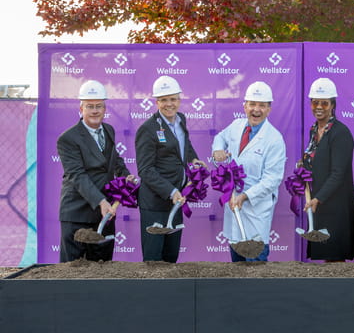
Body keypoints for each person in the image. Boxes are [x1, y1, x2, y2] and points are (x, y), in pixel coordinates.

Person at [57, 80, 135, 262]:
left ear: (104, 108)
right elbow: (77, 175)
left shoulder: (109, 130)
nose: (95, 111)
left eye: (99, 106)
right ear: (81, 108)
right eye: (90, 106)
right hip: (77, 213)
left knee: (103, 267)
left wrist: (125, 175)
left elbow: (115, 159)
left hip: (104, 212)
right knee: (72, 270)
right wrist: (100, 201)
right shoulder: (68, 138)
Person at [212, 81, 286, 262]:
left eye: (262, 105)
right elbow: (220, 137)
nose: (256, 110)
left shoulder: (274, 139)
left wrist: (244, 196)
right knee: (236, 268)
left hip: (255, 210)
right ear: (244, 106)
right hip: (235, 207)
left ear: (269, 109)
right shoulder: (237, 126)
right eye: (252, 104)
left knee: (255, 270)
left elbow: (272, 180)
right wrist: (217, 150)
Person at [135, 75, 202, 263]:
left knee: (171, 257)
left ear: (179, 100)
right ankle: (152, 293)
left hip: (177, 200)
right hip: (155, 203)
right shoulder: (147, 129)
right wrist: (171, 191)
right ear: (157, 102)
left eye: (173, 99)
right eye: (164, 100)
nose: (169, 104)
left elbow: (184, 145)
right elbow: (146, 170)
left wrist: (193, 159)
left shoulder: (181, 119)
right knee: (154, 260)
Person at [302, 77, 354, 262]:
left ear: (333, 105)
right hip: (319, 204)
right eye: (314, 102)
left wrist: (318, 198)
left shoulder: (341, 133)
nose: (318, 107)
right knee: (325, 259)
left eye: (324, 103)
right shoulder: (313, 130)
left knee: (335, 260)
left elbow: (338, 174)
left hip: (336, 207)